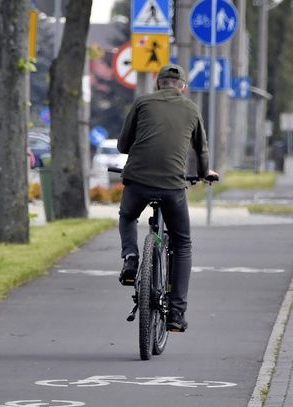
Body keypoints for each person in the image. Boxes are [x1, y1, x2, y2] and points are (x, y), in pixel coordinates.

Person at [116, 64, 218, 332]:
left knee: (127, 215)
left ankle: (130, 258)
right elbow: (201, 149)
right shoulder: (192, 108)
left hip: (137, 182)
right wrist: (204, 173)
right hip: (173, 187)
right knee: (182, 243)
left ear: (158, 83)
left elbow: (123, 145)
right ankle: (175, 314)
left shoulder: (142, 102)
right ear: (183, 87)